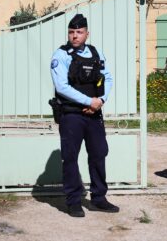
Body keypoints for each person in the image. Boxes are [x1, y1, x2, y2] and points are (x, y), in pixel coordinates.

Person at [50, 13, 119, 217]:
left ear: (87, 34)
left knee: (99, 154)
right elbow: (61, 86)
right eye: (71, 32)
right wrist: (90, 101)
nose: (75, 36)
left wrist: (101, 101)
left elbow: (107, 78)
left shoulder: (96, 53)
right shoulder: (60, 55)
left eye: (79, 32)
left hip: (94, 114)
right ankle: (73, 201)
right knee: (70, 157)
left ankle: (99, 198)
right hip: (71, 114)